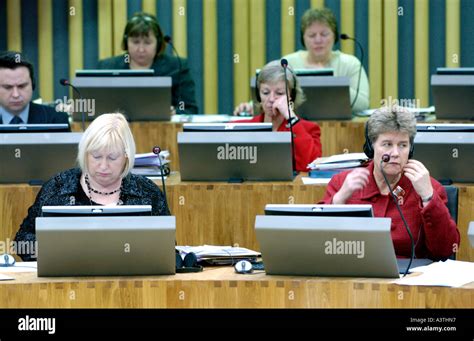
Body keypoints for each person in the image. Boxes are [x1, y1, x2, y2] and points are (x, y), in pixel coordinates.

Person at [14, 113, 170, 261]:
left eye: (112, 157)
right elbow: (22, 241)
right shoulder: (58, 187)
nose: (103, 166)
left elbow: (168, 246)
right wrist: (56, 252)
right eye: (96, 156)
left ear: (126, 157)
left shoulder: (147, 192)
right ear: (85, 153)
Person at [319, 106, 460, 260]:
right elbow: (320, 245)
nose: (395, 153)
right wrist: (339, 200)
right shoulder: (342, 182)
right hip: (354, 273)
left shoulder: (428, 187)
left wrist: (428, 197)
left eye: (402, 145)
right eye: (387, 144)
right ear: (371, 147)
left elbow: (445, 251)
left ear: (410, 149)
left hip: (409, 278)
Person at [233, 7, 369, 116]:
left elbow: (363, 103)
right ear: (303, 39)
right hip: (293, 127)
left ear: (334, 36)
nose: (318, 40)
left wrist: (331, 83)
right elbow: (270, 92)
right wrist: (250, 106)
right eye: (311, 35)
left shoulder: (350, 63)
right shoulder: (287, 63)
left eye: (324, 34)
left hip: (340, 129)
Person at [97, 12, 198, 115]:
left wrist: (174, 112)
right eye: (135, 42)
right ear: (126, 41)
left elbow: (189, 109)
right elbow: (96, 107)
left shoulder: (177, 67)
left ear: (158, 43)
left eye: (147, 43)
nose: (141, 49)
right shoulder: (107, 68)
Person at [234, 60, 322, 172]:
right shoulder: (240, 129)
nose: (271, 99)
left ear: (292, 96)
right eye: (265, 93)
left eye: (279, 93)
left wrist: (292, 119)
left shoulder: (308, 130)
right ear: (258, 95)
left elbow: (310, 166)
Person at [0, 51, 70, 126]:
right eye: (7, 87)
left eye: (22, 86)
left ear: (33, 85)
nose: (16, 95)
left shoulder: (57, 120)